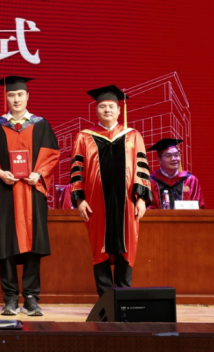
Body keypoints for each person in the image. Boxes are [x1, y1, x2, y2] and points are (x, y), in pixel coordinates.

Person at [0, 76, 60, 317]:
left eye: (20, 95)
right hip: (6, 192)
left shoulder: (41, 124)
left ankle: (31, 298)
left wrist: (40, 173)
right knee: (7, 244)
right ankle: (9, 298)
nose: (16, 99)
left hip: (32, 191)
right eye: (11, 95)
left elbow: (52, 155)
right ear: (6, 98)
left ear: (27, 96)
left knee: (33, 244)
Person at [69, 85, 151, 296]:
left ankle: (123, 298)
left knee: (127, 245)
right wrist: (79, 199)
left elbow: (141, 168)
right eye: (102, 106)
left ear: (119, 110)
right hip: (96, 203)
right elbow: (77, 170)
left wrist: (141, 199)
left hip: (128, 202)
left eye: (111, 106)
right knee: (99, 247)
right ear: (96, 110)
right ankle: (105, 300)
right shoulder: (84, 137)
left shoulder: (133, 135)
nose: (107, 110)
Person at [147, 138, 205, 209]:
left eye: (176, 155)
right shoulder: (151, 181)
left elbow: (199, 207)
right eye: (168, 155)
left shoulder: (190, 180)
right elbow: (149, 209)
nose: (174, 159)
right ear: (159, 160)